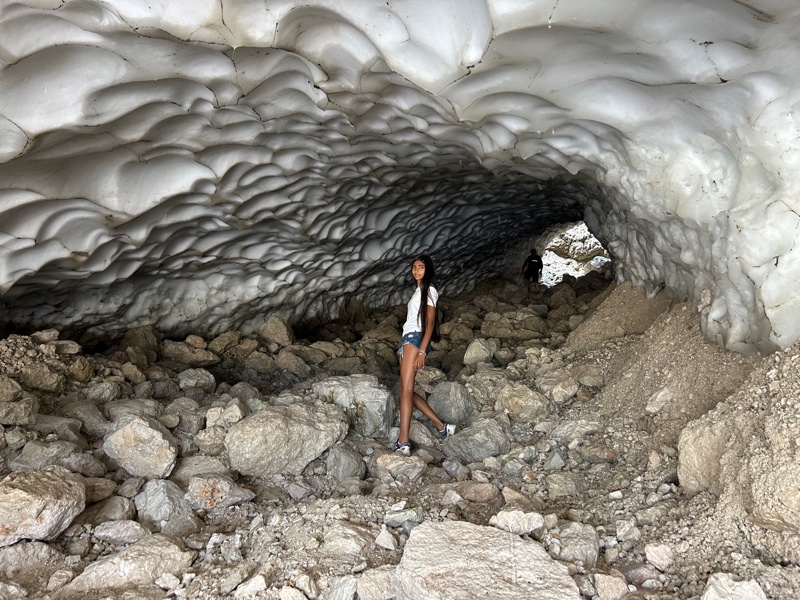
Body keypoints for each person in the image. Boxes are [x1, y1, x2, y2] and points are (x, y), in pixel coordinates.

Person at [393, 254, 456, 456]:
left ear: (428, 269)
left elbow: (429, 322)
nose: (416, 270)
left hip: (414, 340)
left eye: (421, 267)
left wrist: (422, 350)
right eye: (414, 267)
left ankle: (403, 442)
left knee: (406, 391)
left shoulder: (430, 290)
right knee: (406, 391)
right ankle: (442, 427)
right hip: (408, 340)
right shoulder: (419, 290)